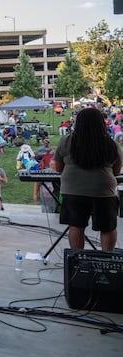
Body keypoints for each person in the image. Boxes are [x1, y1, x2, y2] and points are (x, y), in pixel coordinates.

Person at [54, 107, 122, 251]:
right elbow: (116, 171)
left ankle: (78, 260)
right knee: (108, 227)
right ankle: (107, 261)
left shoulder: (67, 141)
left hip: (73, 190)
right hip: (103, 191)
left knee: (76, 226)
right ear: (101, 124)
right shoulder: (112, 145)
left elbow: (59, 168)